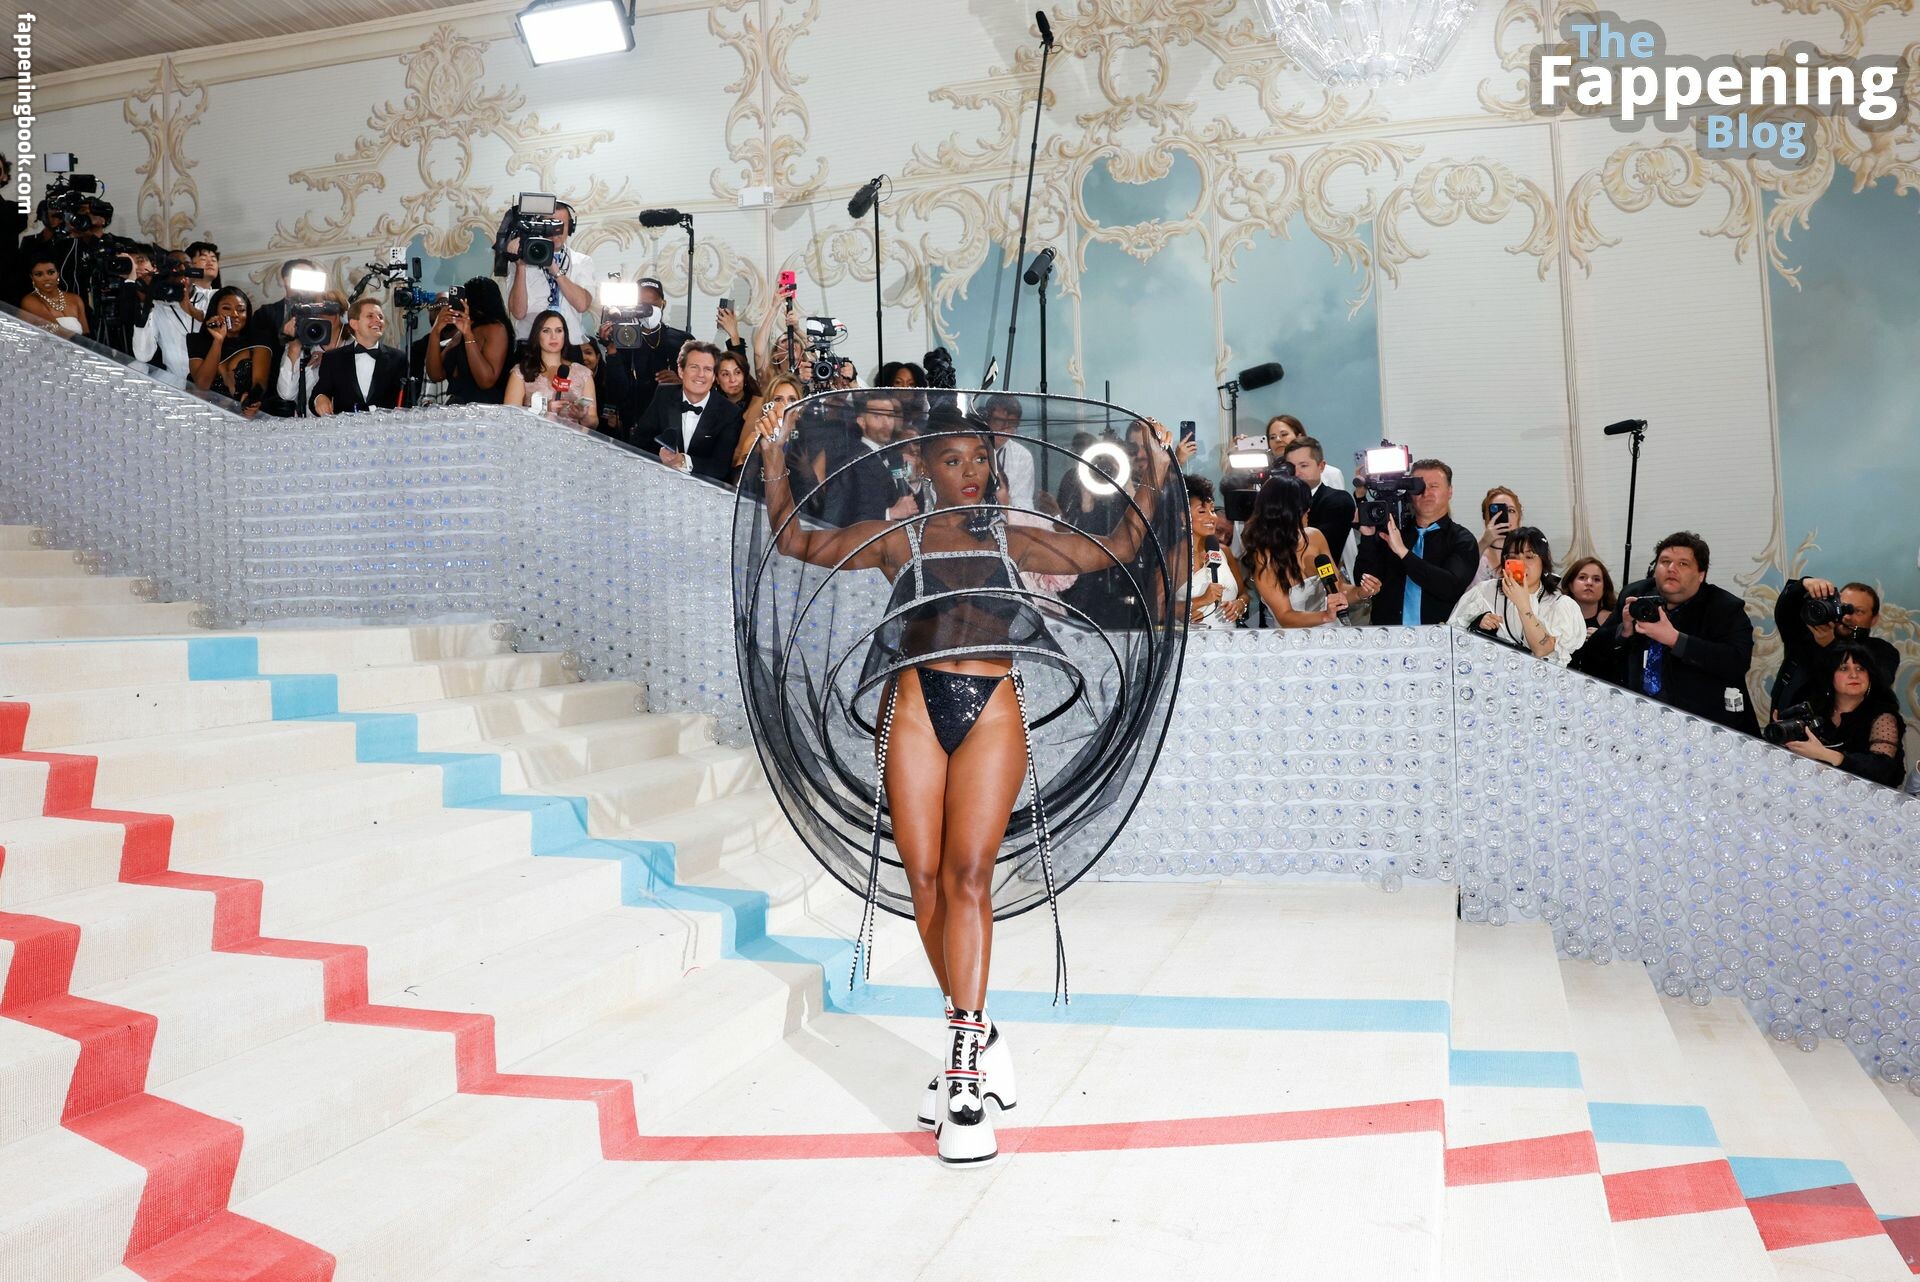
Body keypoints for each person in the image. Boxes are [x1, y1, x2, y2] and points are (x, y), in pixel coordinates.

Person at [749, 402, 1181, 1165]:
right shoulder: (900, 538)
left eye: (980, 460)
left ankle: (964, 1080)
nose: (972, 473)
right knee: (923, 881)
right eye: (953, 461)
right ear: (922, 467)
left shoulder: (1012, 535)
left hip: (993, 708)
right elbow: (797, 540)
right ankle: (978, 1030)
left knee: (969, 876)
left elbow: (1116, 548)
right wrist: (775, 451)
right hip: (914, 707)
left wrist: (1150, 472)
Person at [1582, 531, 1757, 733]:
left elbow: (1736, 662)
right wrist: (1624, 631)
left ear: (1701, 575)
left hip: (1699, 724)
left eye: (1683, 563)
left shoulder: (1724, 608)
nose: (1671, 568)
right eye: (1665, 561)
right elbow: (1592, 655)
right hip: (1636, 719)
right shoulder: (1636, 595)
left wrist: (1675, 640)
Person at [1352, 457, 1477, 626]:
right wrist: (1367, 537)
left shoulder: (1462, 539)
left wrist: (1403, 553)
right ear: (1409, 493)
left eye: (1434, 486)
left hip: (1441, 635)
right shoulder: (1390, 533)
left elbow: (1450, 587)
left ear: (1450, 491)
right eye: (1419, 487)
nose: (1426, 493)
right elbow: (1363, 581)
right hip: (1388, 633)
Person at [1447, 526, 1586, 665]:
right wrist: (1477, 623)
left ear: (1544, 560)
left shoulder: (1559, 604)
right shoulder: (1484, 592)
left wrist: (1523, 604)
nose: (1521, 564)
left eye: (1529, 557)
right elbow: (1453, 637)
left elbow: (1542, 650)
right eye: (1513, 558)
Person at [1779, 642, 1907, 788]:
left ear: (1870, 677)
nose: (1854, 675)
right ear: (1830, 676)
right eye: (1844, 668)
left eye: (1860, 669)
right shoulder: (1815, 707)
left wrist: (1828, 755)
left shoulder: (1883, 716)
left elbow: (1883, 769)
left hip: (1864, 796)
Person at [1769, 575, 1899, 713]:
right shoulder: (1806, 636)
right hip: (1792, 719)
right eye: (1843, 607)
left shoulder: (1883, 651)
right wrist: (1803, 584)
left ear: (1874, 619)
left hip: (1847, 725)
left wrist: (1830, 645)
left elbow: (1878, 684)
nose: (1847, 616)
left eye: (1858, 611)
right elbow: (1785, 612)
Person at [1241, 474, 1349, 628]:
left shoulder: (1315, 537)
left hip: (1333, 632)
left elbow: (1338, 588)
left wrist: (1362, 592)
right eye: (1303, 506)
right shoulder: (1263, 558)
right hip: (1295, 638)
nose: (1309, 509)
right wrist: (1325, 616)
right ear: (1287, 512)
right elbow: (1285, 616)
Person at [631, 339, 742, 482]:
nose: (701, 374)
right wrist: (661, 459)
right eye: (694, 367)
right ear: (681, 371)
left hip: (702, 488)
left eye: (708, 369)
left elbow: (720, 467)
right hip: (657, 479)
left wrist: (681, 461)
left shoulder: (730, 412)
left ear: (714, 376)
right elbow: (639, 441)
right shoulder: (664, 395)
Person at [603, 276, 693, 438]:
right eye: (642, 305)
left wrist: (682, 381)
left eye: (653, 305)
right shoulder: (624, 340)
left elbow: (702, 381)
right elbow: (617, 391)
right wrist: (611, 349)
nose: (648, 310)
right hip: (634, 421)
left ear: (663, 304)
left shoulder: (682, 340)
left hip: (671, 423)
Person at [505, 201, 599, 345]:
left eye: (560, 225)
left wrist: (553, 267)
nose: (555, 231)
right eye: (549, 225)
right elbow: (518, 312)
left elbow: (582, 305)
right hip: (530, 345)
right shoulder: (520, 262)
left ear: (570, 228)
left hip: (570, 344)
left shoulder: (582, 261)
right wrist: (520, 266)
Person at [502, 309, 597, 429]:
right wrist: (543, 410)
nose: (553, 336)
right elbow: (509, 417)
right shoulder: (521, 372)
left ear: (565, 335)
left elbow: (593, 422)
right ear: (537, 335)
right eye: (546, 331)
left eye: (559, 330)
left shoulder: (583, 373)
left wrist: (583, 416)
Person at [424, 277, 512, 405]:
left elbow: (486, 382)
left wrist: (468, 335)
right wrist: (435, 331)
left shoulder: (495, 329)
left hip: (484, 409)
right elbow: (435, 375)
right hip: (455, 407)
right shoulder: (461, 332)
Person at [311, 297, 407, 415]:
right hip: (345, 426)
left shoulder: (398, 358)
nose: (378, 320)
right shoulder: (333, 358)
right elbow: (319, 392)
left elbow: (406, 401)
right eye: (370, 316)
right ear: (354, 324)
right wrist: (320, 398)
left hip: (385, 425)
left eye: (380, 317)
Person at [185, 287, 270, 416]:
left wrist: (252, 399)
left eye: (241, 310)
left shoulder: (259, 340)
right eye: (226, 308)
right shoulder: (197, 341)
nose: (235, 314)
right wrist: (218, 341)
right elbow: (202, 385)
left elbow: (260, 382)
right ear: (215, 310)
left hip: (244, 417)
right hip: (205, 416)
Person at [1182, 476, 1248, 630]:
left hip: (1230, 639)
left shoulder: (1223, 551)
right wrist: (1201, 600)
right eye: (1202, 511)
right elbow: (1159, 609)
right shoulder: (1174, 558)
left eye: (1212, 510)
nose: (1211, 517)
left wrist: (1240, 604)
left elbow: (1244, 594)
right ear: (1183, 517)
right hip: (1193, 641)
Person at [270, 289, 349, 416]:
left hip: (346, 421)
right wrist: (294, 347)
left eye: (328, 309)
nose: (322, 315)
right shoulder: (303, 346)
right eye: (317, 310)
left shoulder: (354, 345)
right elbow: (286, 394)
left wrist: (330, 359)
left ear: (343, 316)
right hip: (308, 422)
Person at [1281, 436, 1356, 565]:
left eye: (1304, 466)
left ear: (1321, 466)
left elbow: (1315, 548)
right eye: (1291, 467)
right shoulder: (1280, 501)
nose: (1296, 473)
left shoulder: (1338, 500)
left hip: (1320, 574)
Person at [733, 372, 805, 481]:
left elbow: (819, 488)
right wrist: (757, 451)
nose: (785, 405)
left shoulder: (808, 440)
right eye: (778, 399)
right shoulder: (754, 439)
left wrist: (805, 467)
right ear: (768, 406)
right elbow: (739, 482)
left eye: (792, 400)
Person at [979, 394, 1037, 513]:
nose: (1004, 428)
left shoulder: (1022, 456)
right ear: (987, 421)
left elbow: (1024, 505)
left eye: (1011, 423)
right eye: (999, 421)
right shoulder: (971, 449)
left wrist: (1006, 504)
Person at [19, 249, 89, 338]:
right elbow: (59, 332)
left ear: (58, 273)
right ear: (32, 277)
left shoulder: (75, 299)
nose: (46, 278)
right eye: (39, 274)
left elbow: (86, 334)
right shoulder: (29, 301)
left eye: (51, 272)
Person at [1266, 414, 1345, 493]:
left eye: (1284, 434)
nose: (1278, 440)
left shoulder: (1331, 474)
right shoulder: (1267, 476)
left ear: (1299, 436)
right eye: (1272, 437)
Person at [1473, 487, 1523, 584]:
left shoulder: (1529, 554)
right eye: (1495, 510)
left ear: (1519, 517)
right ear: (1486, 517)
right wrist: (1484, 542)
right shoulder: (1476, 553)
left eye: (1511, 510)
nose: (1505, 516)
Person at [715, 349, 758, 421]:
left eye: (737, 372)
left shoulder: (757, 403)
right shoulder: (711, 407)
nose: (732, 380)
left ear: (744, 375)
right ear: (717, 379)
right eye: (725, 374)